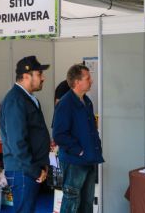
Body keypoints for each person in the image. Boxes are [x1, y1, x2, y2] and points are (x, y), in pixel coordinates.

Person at [0, 55, 51, 213]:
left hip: (28, 169)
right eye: (39, 74)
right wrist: (35, 170)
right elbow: (17, 143)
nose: (43, 78)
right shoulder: (16, 100)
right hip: (23, 171)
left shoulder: (27, 98)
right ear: (26, 76)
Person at [52, 64, 104, 213]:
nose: (91, 81)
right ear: (77, 82)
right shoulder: (66, 104)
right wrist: (79, 151)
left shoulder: (86, 101)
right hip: (74, 161)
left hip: (89, 159)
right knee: (72, 201)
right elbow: (59, 135)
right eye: (88, 78)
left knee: (86, 203)